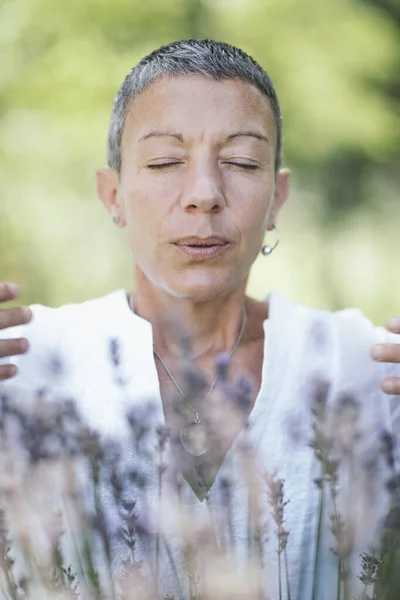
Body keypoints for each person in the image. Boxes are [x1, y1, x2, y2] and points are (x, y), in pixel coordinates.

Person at [0, 39, 400, 599]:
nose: (205, 194)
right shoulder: (22, 363)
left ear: (277, 199)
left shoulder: (364, 367)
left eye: (241, 162)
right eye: (165, 162)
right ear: (112, 194)